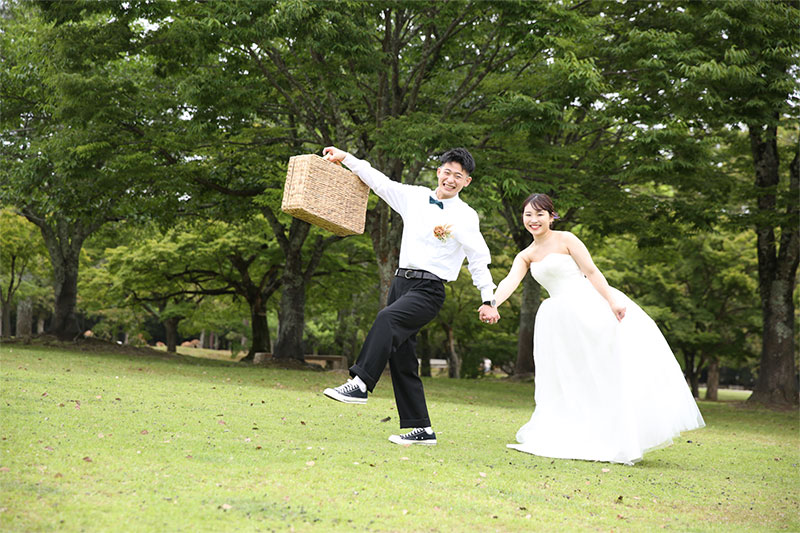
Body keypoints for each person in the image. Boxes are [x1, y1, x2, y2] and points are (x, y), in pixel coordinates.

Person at [487, 193, 704, 465]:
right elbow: (509, 281)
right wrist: (492, 303)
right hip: (557, 320)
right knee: (567, 376)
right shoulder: (526, 255)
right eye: (528, 214)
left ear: (551, 217)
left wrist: (612, 301)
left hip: (588, 307)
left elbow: (591, 271)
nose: (533, 220)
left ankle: (618, 436)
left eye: (540, 214)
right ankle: (573, 431)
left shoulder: (567, 240)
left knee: (602, 370)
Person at [321, 146, 499, 445]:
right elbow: (379, 182)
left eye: (459, 175)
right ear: (438, 171)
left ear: (467, 181)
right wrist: (346, 158)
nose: (451, 179)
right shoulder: (414, 197)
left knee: (387, 319)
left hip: (429, 289)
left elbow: (478, 259)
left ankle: (361, 382)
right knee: (402, 359)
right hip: (401, 283)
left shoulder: (466, 216)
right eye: (447, 172)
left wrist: (488, 299)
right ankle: (422, 429)